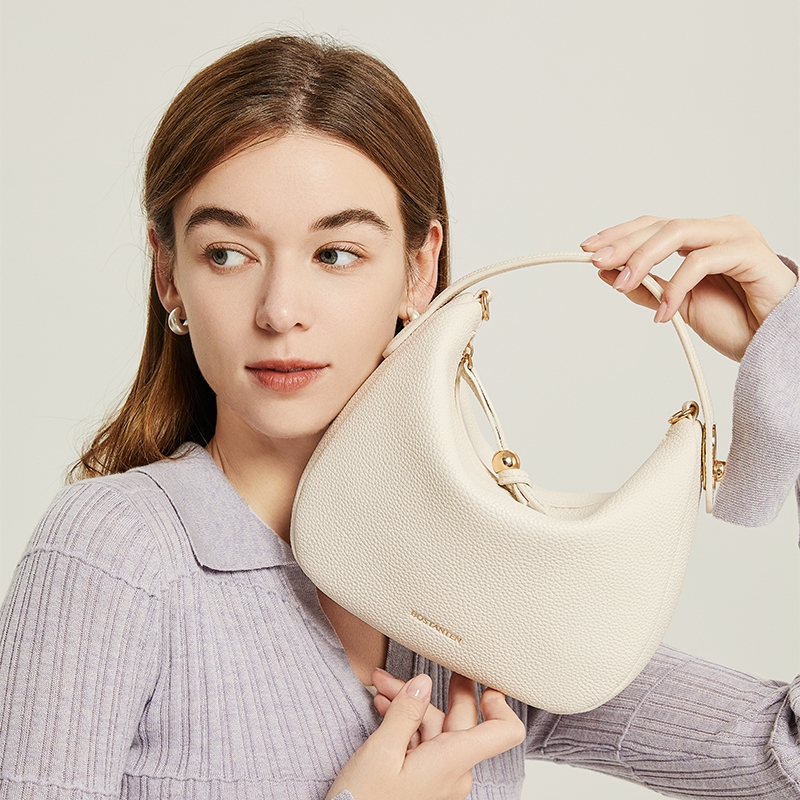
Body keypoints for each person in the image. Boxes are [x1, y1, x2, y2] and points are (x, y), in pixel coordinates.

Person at [0, 33, 797, 800]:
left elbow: (780, 759)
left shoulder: (485, 586)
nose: (280, 311)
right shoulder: (117, 554)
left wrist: (787, 341)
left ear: (420, 271)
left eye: (336, 253)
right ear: (168, 273)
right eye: (228, 254)